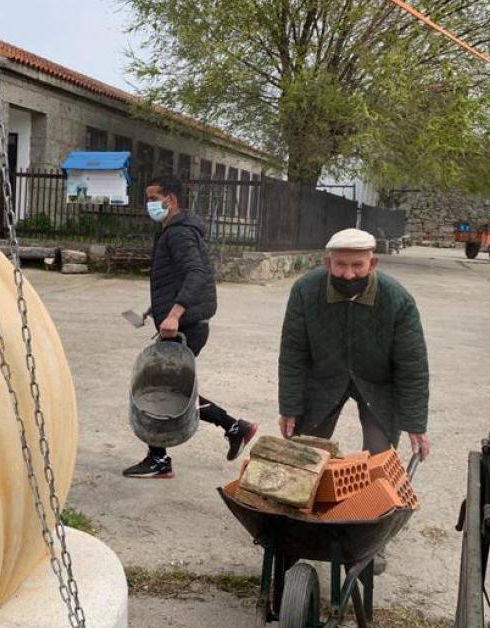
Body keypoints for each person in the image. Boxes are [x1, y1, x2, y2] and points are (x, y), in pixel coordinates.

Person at [277, 228, 429, 572]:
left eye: (358, 265)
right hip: (323, 379)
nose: (348, 274)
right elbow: (293, 353)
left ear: (373, 262)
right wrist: (290, 406)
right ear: (327, 261)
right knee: (306, 455)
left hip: (378, 384)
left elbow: (413, 365)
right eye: (340, 265)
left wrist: (415, 425)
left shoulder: (397, 299)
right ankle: (298, 530)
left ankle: (370, 538)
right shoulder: (305, 291)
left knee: (379, 460)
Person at [123, 174, 257, 479]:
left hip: (187, 325)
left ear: (170, 200)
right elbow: (176, 277)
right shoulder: (173, 230)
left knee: (158, 389)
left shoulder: (179, 233)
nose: (149, 205)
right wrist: (154, 310)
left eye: (153, 198)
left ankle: (160, 459)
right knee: (171, 389)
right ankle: (234, 427)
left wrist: (174, 315)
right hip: (183, 321)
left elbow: (196, 273)